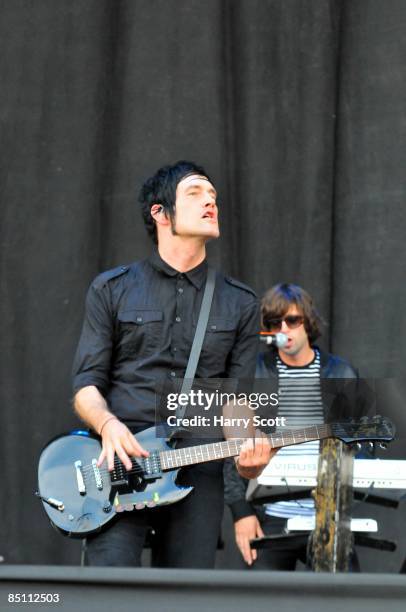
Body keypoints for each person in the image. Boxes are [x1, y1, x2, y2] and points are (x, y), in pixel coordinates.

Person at [72, 160, 274, 568]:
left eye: (213, 195)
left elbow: (236, 400)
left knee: (186, 598)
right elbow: (86, 383)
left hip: (197, 471)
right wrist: (108, 426)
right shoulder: (112, 288)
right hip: (121, 466)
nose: (210, 202)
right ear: (160, 213)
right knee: (109, 594)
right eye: (195, 193)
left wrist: (249, 455)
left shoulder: (240, 301)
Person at [224, 283, 360, 570]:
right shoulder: (253, 374)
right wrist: (241, 513)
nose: (283, 328)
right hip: (271, 516)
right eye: (275, 323)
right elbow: (232, 448)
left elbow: (358, 447)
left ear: (307, 322)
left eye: (292, 320)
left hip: (327, 515)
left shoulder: (341, 373)